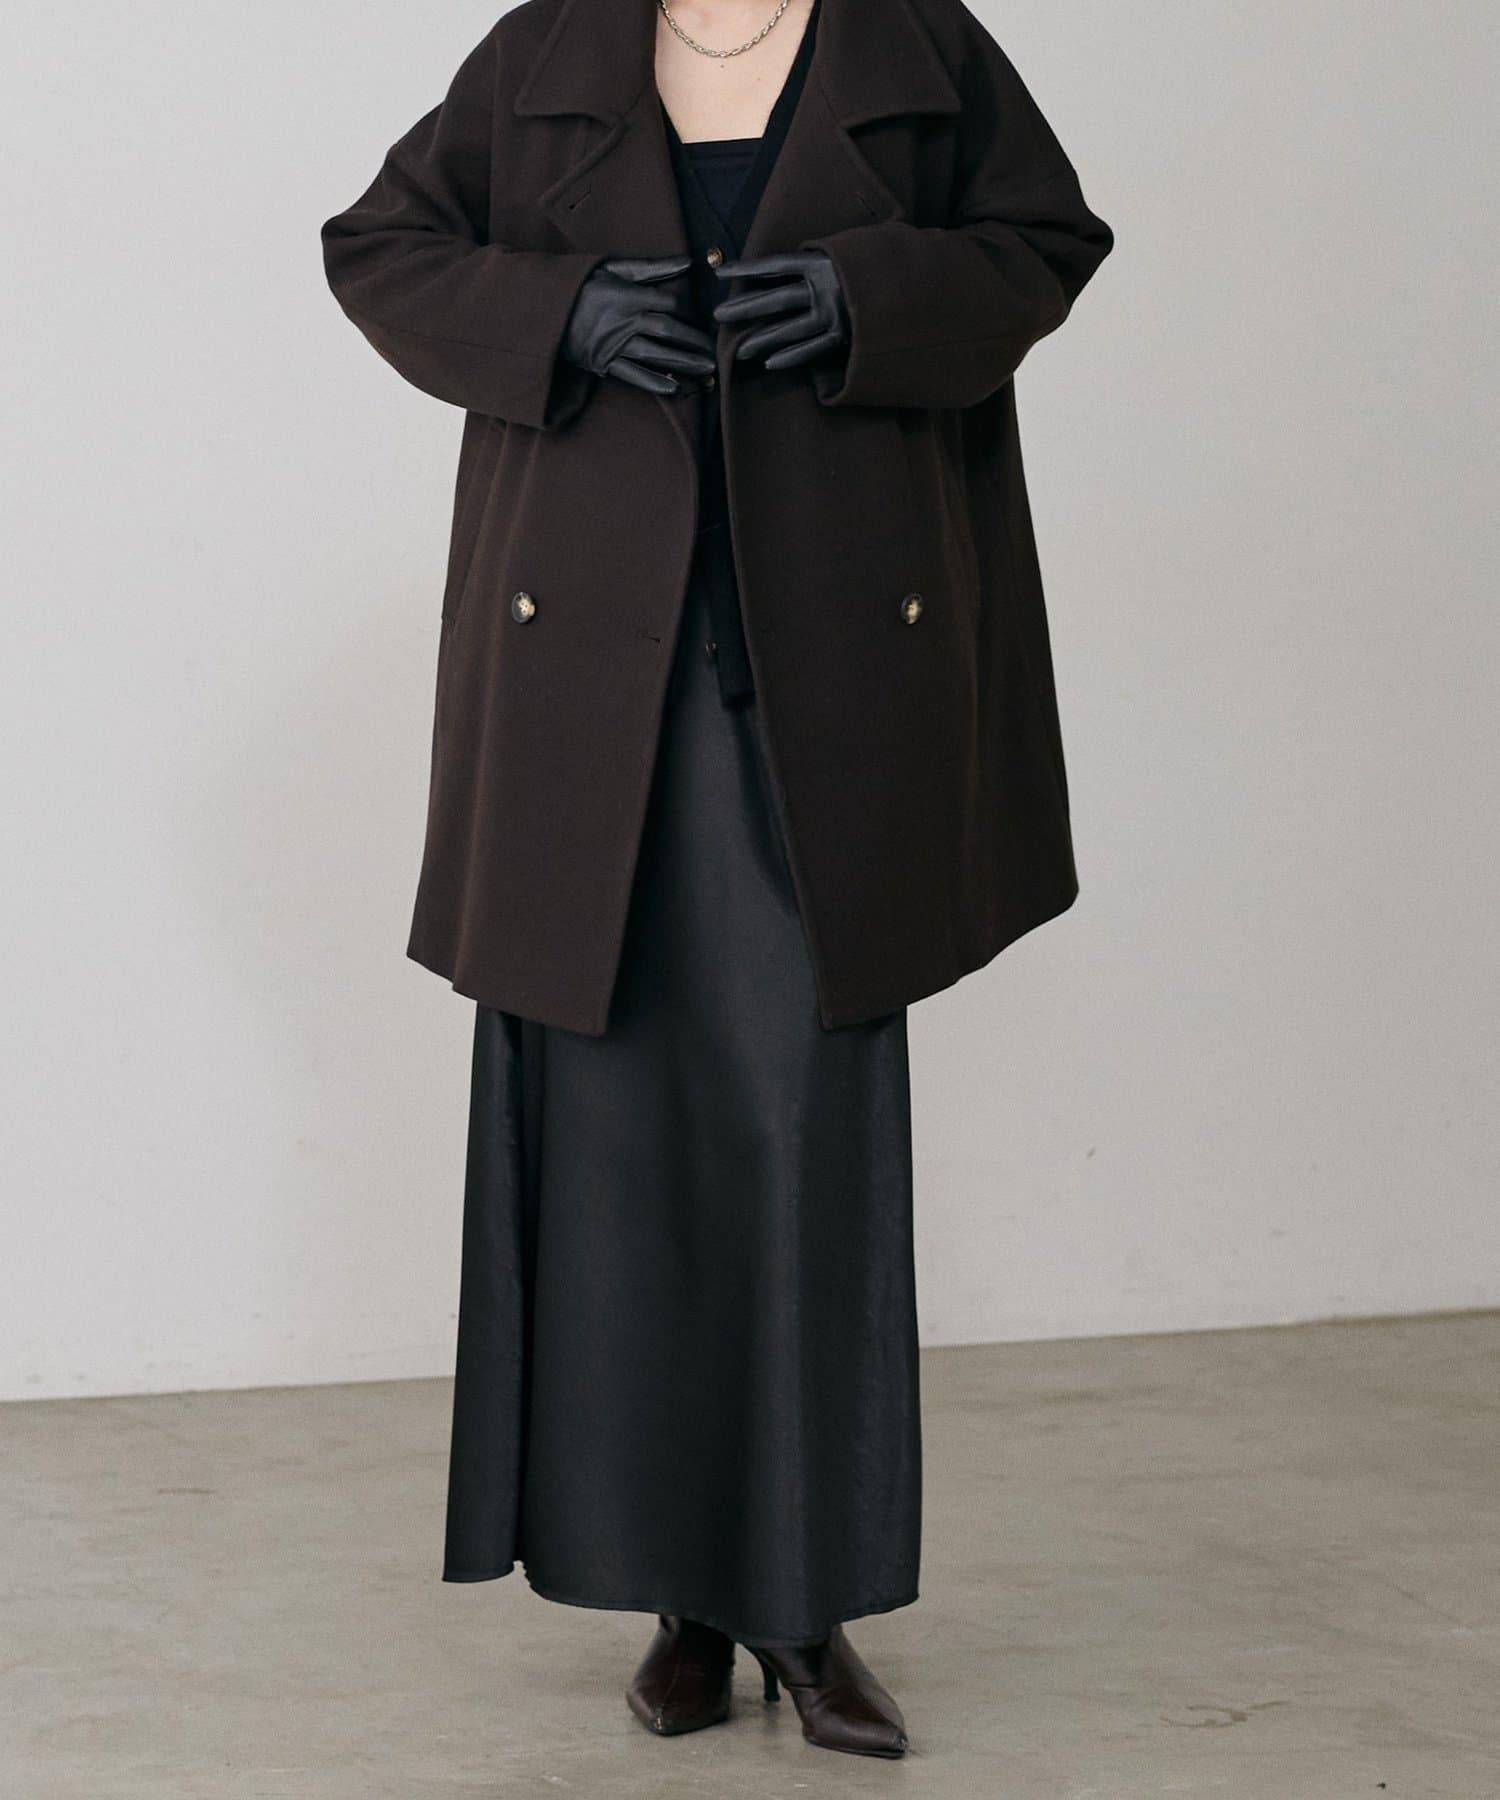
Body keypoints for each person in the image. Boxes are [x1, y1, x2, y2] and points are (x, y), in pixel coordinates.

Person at [321, 0, 1111, 1760]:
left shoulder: (914, 41)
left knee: (810, 1140)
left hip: (832, 677)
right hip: (597, 686)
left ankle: (802, 1608)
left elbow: (1047, 240)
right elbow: (379, 246)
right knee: (614, 1148)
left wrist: (869, 299)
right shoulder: (547, 49)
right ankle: (678, 1602)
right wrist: (559, 315)